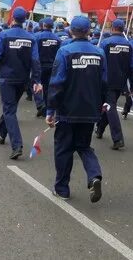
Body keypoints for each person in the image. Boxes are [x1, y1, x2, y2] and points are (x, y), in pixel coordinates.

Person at [46, 16, 106, 202]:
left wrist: (50, 110)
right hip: (90, 110)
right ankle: (94, 175)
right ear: (89, 32)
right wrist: (101, 104)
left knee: (63, 149)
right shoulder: (99, 53)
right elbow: (104, 83)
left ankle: (62, 189)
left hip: (67, 110)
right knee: (84, 146)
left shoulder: (64, 52)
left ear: (71, 30)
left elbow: (56, 83)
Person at [0, 7, 42, 159]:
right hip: (22, 79)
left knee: (9, 110)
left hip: (7, 77)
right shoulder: (31, 37)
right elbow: (35, 60)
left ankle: (17, 145)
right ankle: (1, 131)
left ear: (13, 18)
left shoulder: (4, 35)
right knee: (10, 108)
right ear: (25, 20)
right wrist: (36, 79)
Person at [95, 19, 133, 150]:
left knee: (109, 107)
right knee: (108, 106)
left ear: (113, 28)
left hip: (106, 81)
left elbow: (99, 62)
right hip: (120, 82)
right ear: (123, 29)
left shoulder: (105, 43)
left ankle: (118, 138)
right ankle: (100, 129)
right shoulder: (129, 45)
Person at [35, 17, 61, 117]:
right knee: (47, 88)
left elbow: (34, 53)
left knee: (36, 85)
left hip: (40, 65)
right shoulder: (57, 39)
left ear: (44, 25)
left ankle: (40, 105)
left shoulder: (37, 37)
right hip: (52, 66)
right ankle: (46, 107)